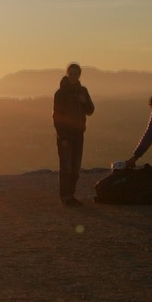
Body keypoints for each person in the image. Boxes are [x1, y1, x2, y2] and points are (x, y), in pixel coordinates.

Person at [53, 63, 95, 207]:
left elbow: (90, 110)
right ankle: (66, 197)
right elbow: (57, 117)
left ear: (79, 75)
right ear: (67, 74)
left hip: (78, 135)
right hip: (66, 135)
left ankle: (71, 195)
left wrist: (84, 102)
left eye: (75, 74)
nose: (73, 76)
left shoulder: (82, 91)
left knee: (75, 167)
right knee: (66, 167)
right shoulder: (61, 93)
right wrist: (62, 137)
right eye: (71, 73)